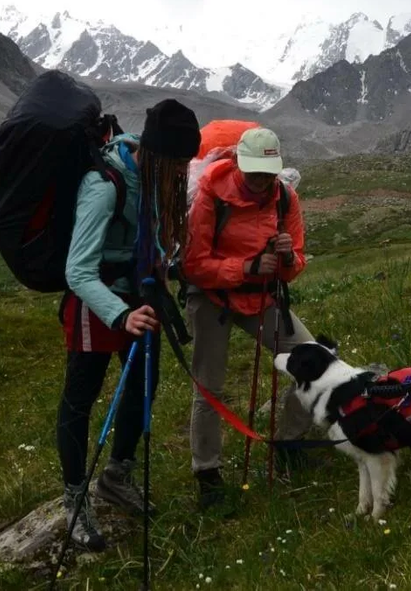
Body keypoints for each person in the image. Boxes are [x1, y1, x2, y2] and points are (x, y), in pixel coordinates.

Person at [58, 99, 200, 550]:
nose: (182, 174)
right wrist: (120, 314)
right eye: (177, 164)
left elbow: (158, 236)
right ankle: (74, 499)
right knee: (82, 396)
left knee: (145, 381)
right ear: (157, 154)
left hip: (140, 291)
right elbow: (77, 270)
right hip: (96, 299)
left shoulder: (157, 178)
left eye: (186, 164)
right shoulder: (104, 186)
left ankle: (117, 474)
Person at [181, 127, 315, 510]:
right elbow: (194, 266)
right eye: (254, 172)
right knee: (209, 389)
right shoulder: (210, 194)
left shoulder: (286, 198)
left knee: (313, 360)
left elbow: (295, 265)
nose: (260, 181)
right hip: (212, 299)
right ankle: (207, 474)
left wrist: (288, 259)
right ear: (239, 163)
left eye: (267, 173)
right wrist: (248, 267)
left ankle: (290, 443)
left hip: (262, 298)